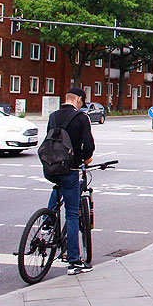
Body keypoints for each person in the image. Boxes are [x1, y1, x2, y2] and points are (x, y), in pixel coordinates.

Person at [46, 87, 96, 275]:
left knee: (57, 187)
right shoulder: (82, 118)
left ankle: (47, 223)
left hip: (51, 166)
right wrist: (85, 158)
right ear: (79, 100)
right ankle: (74, 262)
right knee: (72, 214)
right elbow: (88, 145)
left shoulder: (53, 116)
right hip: (70, 167)